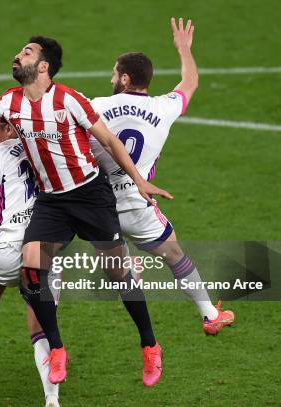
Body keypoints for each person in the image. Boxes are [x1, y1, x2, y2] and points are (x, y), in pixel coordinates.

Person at [0, 36, 173, 386]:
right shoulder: (9, 102)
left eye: (26, 52)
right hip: (53, 202)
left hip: (90, 195)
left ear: (43, 66)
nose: (17, 56)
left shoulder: (70, 100)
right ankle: (56, 349)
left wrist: (140, 182)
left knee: (118, 274)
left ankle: (149, 345)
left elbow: (110, 142)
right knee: (33, 271)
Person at [88, 18, 234, 334]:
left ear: (125, 78)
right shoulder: (163, 108)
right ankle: (209, 315)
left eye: (114, 72)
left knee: (111, 264)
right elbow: (190, 82)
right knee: (174, 253)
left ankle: (126, 270)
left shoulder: (95, 106)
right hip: (137, 204)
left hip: (97, 207)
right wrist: (184, 49)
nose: (111, 76)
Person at [0, 119, 60, 407]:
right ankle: (51, 398)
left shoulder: (0, 152)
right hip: (43, 248)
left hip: (5, 249)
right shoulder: (44, 148)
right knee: (41, 327)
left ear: (8, 129)